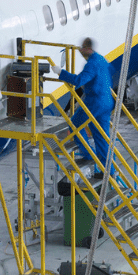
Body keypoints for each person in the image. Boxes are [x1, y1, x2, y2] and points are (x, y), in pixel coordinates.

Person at [57, 38, 115, 178]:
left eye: (82, 48)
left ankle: (88, 154)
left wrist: (61, 73)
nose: (80, 51)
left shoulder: (92, 64)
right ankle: (108, 171)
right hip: (106, 101)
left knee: (74, 123)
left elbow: (78, 81)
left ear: (88, 48)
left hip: (95, 102)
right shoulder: (101, 59)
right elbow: (111, 70)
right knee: (101, 137)